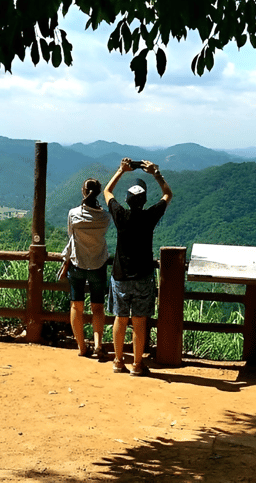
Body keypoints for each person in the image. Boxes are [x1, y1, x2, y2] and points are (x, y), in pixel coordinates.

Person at [104, 158, 172, 376]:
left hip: (120, 276)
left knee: (120, 319)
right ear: (143, 200)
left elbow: (106, 191)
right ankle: (137, 365)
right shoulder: (149, 216)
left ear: (127, 199)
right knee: (139, 322)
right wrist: (156, 173)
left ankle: (117, 361)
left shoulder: (120, 215)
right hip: (142, 276)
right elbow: (167, 195)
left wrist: (121, 170)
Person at [61, 178, 112, 359]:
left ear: (83, 191)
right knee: (98, 307)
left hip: (77, 264)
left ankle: (82, 347)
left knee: (77, 305)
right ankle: (98, 344)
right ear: (98, 193)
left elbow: (70, 234)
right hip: (98, 264)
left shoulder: (73, 214)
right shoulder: (105, 217)